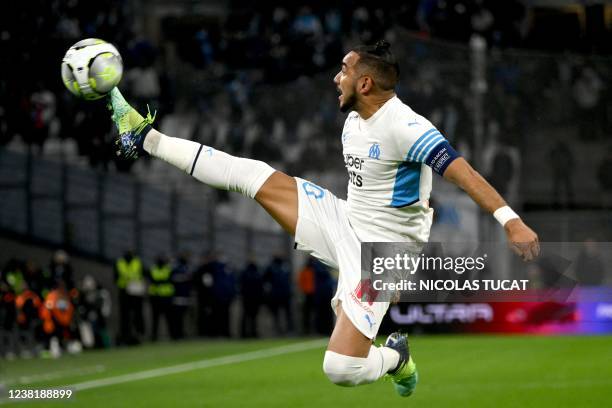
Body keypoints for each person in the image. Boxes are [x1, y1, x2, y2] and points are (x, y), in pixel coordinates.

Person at [106, 39, 539, 397]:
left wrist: (510, 221)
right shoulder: (353, 118)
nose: (337, 77)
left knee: (341, 367)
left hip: (383, 254)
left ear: (365, 82)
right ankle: (147, 136)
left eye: (345, 70)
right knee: (254, 176)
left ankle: (395, 358)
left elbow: (462, 174)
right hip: (345, 220)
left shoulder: (406, 127)